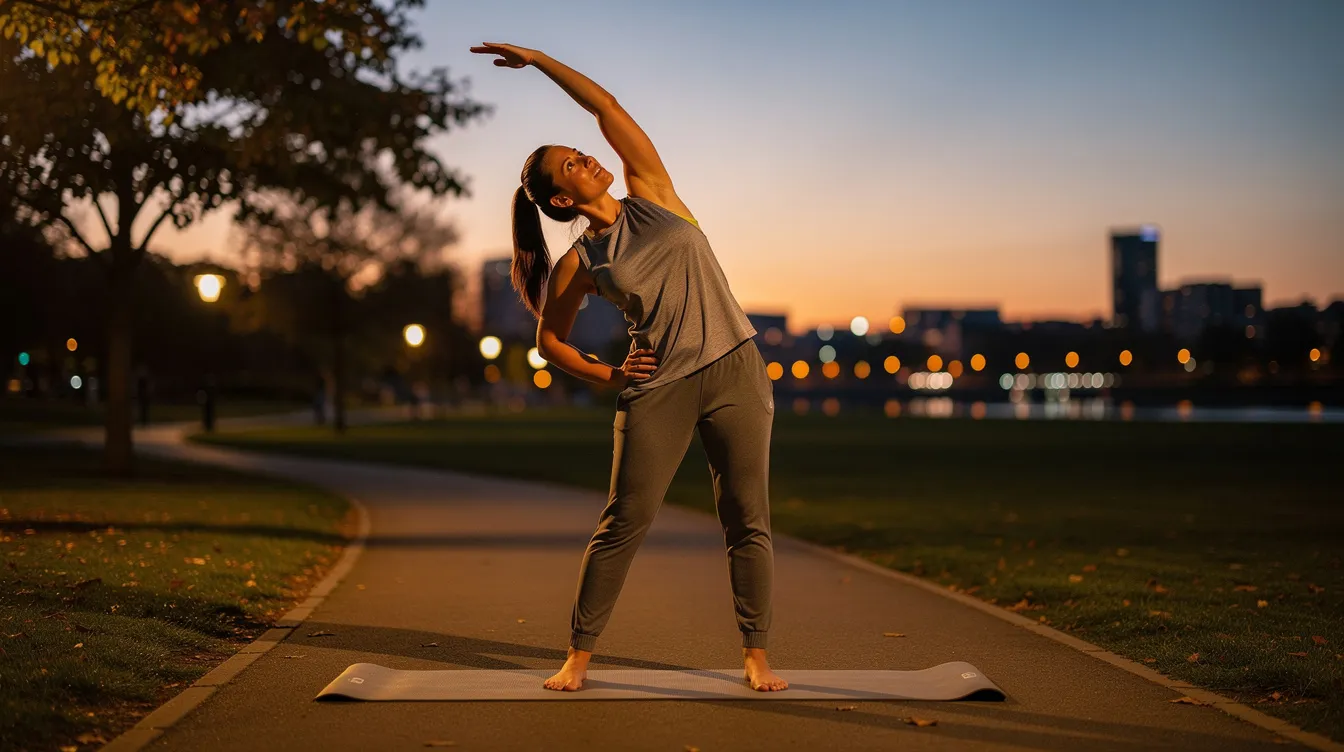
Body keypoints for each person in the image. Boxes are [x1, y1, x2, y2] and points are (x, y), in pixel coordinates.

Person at [470, 42, 787, 693]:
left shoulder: (653, 193)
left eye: (579, 152)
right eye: (571, 166)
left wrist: (537, 60)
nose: (585, 159)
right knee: (623, 521)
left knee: (746, 516)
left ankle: (756, 653)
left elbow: (605, 107)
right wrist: (611, 375)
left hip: (737, 371)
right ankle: (579, 657)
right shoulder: (579, 263)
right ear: (560, 202)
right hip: (659, 386)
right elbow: (548, 343)